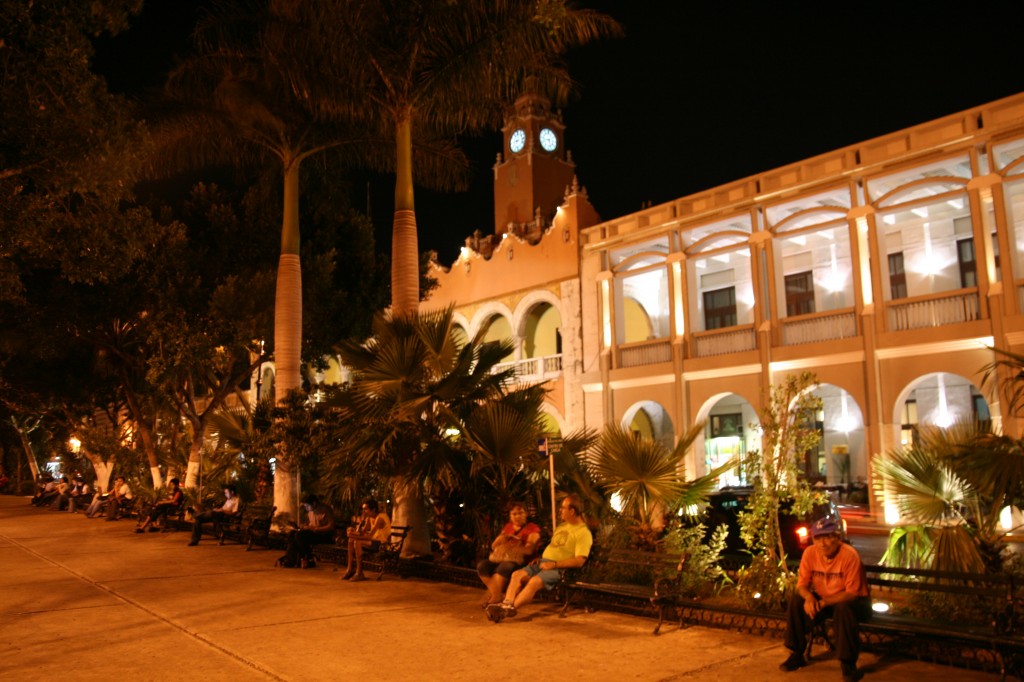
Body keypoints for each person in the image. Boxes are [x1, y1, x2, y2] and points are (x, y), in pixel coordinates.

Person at [779, 516, 871, 682]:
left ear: (837, 538)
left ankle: (848, 664)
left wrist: (822, 602)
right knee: (796, 601)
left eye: (827, 537)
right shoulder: (810, 553)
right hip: (826, 600)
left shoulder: (849, 555)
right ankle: (796, 653)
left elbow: (852, 593)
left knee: (843, 609)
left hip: (855, 602)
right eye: (818, 538)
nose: (823, 543)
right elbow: (802, 585)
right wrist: (808, 598)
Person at [486, 493, 592, 622]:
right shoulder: (563, 526)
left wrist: (554, 564)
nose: (560, 510)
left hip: (560, 569)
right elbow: (556, 547)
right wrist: (542, 557)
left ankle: (508, 610)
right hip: (543, 562)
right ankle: (506, 604)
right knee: (516, 575)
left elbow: (579, 561)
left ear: (572, 511)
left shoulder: (583, 533)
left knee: (534, 581)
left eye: (563, 508)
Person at [477, 502, 541, 606]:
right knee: (482, 566)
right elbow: (494, 546)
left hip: (523, 560)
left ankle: (494, 597)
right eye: (514, 514)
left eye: (520, 513)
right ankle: (496, 595)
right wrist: (505, 538)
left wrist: (514, 547)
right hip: (504, 558)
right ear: (510, 516)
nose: (517, 516)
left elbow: (529, 551)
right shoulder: (508, 527)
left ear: (526, 514)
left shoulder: (532, 528)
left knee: (504, 567)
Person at [277, 494, 335, 568]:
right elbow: (312, 524)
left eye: (307, 506)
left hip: (324, 535)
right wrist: (306, 527)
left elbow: (331, 526)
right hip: (313, 533)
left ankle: (307, 558)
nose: (306, 508)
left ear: (314, 503)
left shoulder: (325, 510)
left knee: (300, 536)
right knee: (292, 534)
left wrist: (316, 529)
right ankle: (290, 559)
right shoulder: (310, 512)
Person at [342, 498, 391, 581]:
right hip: (373, 541)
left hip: (381, 544)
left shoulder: (380, 518)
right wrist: (352, 532)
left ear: (373, 509)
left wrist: (355, 536)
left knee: (357, 542)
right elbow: (362, 532)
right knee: (350, 540)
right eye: (363, 509)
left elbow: (370, 536)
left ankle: (359, 572)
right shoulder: (369, 518)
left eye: (366, 509)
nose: (363, 511)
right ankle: (350, 569)